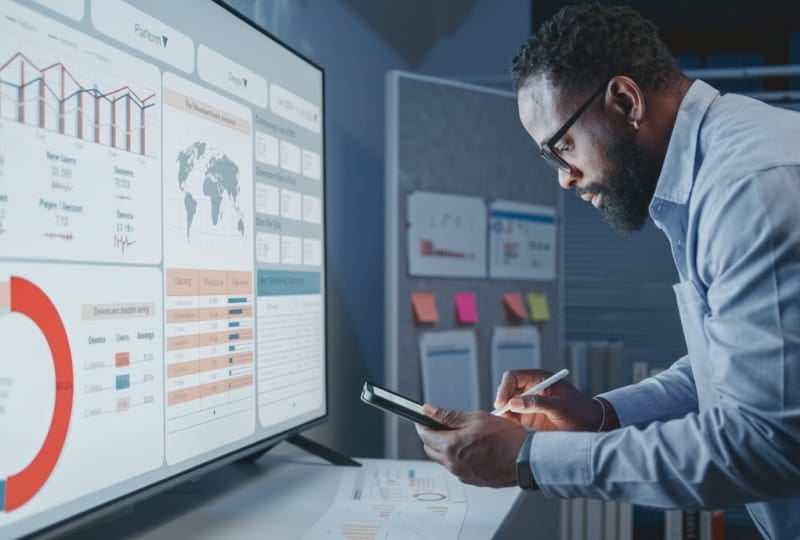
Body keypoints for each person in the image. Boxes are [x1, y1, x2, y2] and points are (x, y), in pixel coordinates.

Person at [414, 3, 800, 538]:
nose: (565, 178)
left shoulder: (747, 189)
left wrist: (530, 459)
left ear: (624, 101)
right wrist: (600, 416)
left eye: (562, 148)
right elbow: (731, 369)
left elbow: (764, 443)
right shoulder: (715, 170)